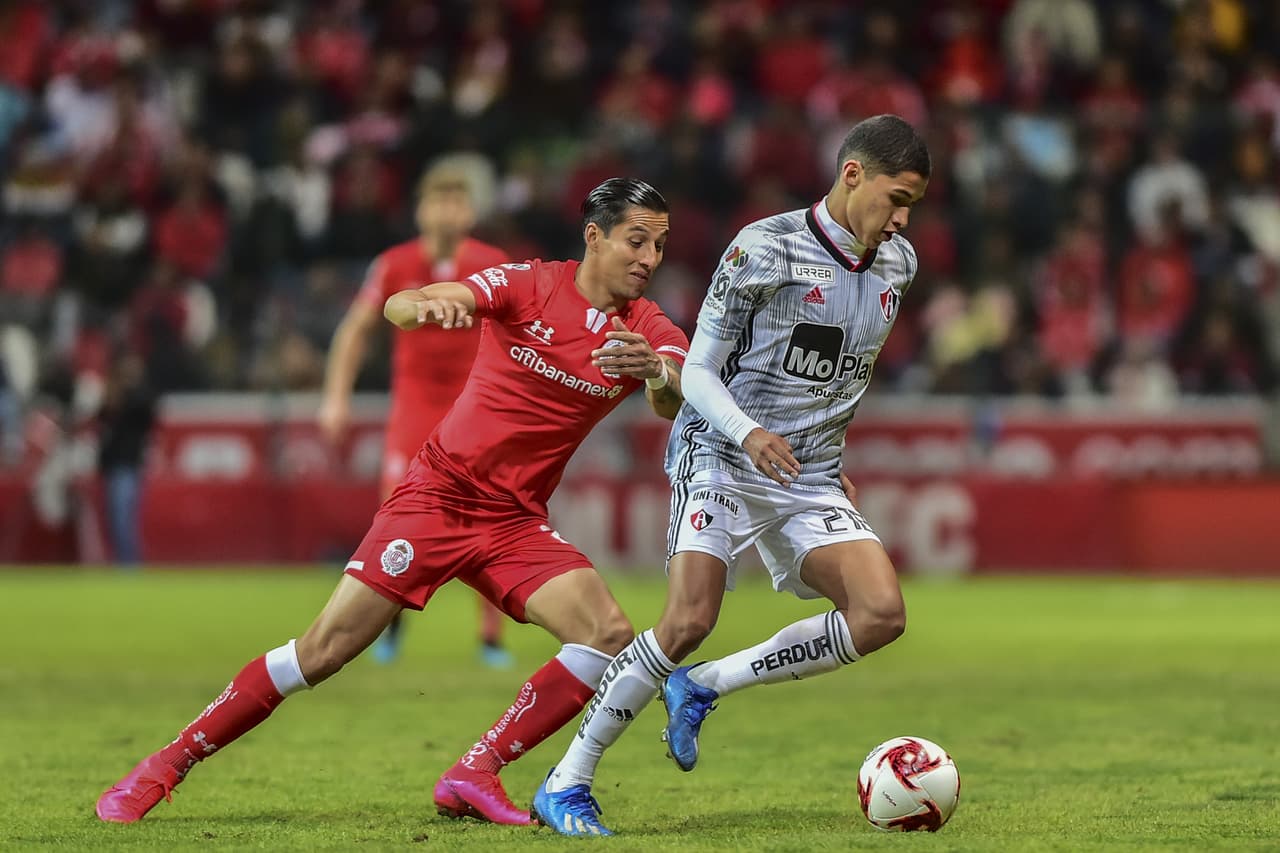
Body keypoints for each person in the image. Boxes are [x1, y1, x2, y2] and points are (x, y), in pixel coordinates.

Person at [96, 178, 690, 826]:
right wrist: (427, 306)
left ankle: (475, 770)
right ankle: (163, 764)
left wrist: (656, 374)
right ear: (594, 236)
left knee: (607, 634)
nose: (648, 259)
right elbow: (416, 302)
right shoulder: (530, 283)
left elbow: (674, 395)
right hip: (437, 497)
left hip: (513, 522)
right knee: (319, 652)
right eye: (637, 241)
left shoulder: (647, 327)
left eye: (658, 246)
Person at [533, 114, 931, 836]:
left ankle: (705, 684)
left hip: (806, 471)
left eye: (913, 206)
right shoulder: (763, 247)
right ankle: (566, 779)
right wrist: (747, 433)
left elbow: (838, 375)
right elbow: (698, 372)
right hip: (721, 447)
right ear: (853, 176)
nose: (902, 219)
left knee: (880, 614)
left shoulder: (898, 265)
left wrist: (829, 461)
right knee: (688, 617)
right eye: (896, 197)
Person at [318, 152, 514, 668]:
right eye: (440, 201)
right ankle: (390, 621)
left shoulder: (493, 264)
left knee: (491, 515)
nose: (449, 213)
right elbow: (355, 332)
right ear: (421, 209)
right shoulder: (394, 264)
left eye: (458, 202)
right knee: (396, 516)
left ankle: (490, 638)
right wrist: (335, 396)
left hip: (475, 412)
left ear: (470, 212)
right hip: (412, 411)